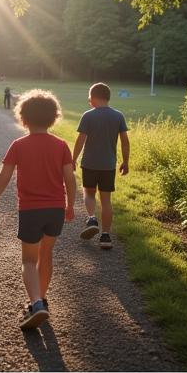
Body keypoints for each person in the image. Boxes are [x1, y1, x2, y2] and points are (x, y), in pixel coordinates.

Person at [0, 89, 76, 331]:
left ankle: (35, 303)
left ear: (23, 118)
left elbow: (3, 178)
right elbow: (70, 179)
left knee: (28, 259)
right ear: (54, 118)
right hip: (55, 208)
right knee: (46, 255)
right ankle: (41, 300)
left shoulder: (19, 145)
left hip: (31, 210)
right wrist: (70, 205)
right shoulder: (61, 145)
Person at [72, 82, 129, 250]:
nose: (89, 101)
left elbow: (80, 140)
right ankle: (105, 236)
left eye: (90, 98)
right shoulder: (118, 116)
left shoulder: (88, 116)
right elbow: (125, 142)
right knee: (106, 201)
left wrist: (73, 158)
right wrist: (126, 161)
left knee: (89, 192)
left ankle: (91, 218)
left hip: (89, 163)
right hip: (108, 165)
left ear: (94, 98)